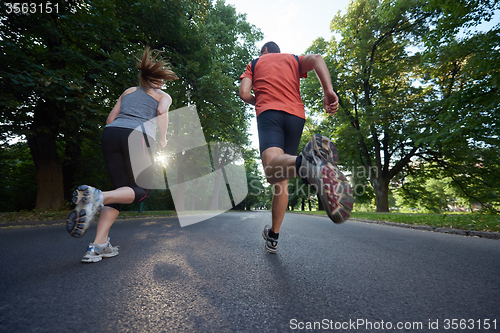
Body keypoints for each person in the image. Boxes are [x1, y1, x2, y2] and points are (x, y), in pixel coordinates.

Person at [239, 41, 354, 253]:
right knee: (282, 175)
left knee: (273, 171)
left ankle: (306, 161)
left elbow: (244, 93)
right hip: (295, 116)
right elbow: (317, 59)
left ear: (264, 50)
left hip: (270, 114)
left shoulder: (254, 63)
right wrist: (328, 91)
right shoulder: (292, 59)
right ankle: (273, 235)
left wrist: (263, 100)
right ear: (277, 51)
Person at [66, 47, 177, 263]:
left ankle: (98, 246)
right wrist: (162, 139)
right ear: (159, 79)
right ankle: (98, 196)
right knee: (141, 191)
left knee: (120, 191)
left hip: (111, 134)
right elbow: (162, 113)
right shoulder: (164, 96)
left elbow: (110, 119)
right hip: (138, 136)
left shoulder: (128, 91)